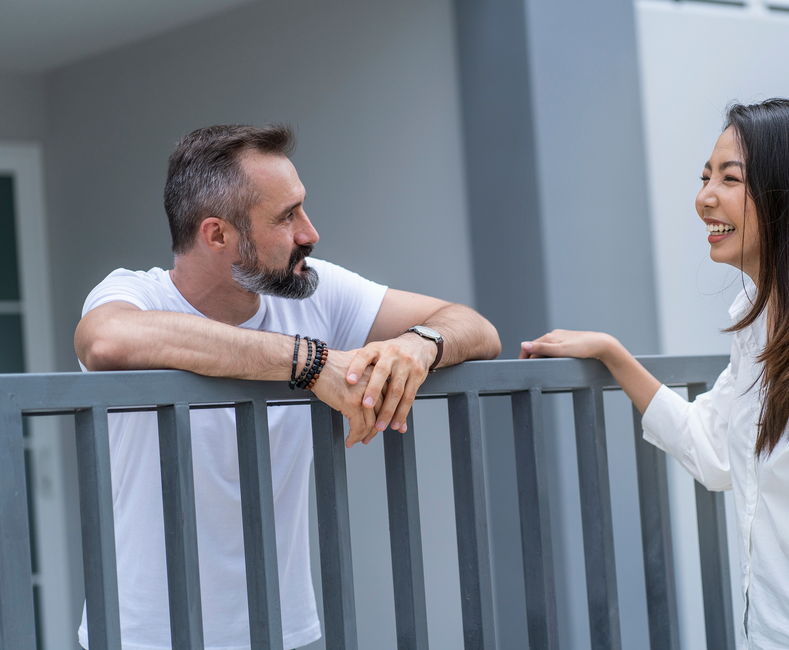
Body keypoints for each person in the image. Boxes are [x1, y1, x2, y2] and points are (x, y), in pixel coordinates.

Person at [520, 99, 789, 649]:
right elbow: (716, 448)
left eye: (730, 178)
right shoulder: (766, 325)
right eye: (705, 177)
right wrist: (613, 355)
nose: (704, 198)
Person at [74, 123, 501, 650]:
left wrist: (418, 345)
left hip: (284, 631)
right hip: (142, 637)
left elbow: (477, 328)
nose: (309, 231)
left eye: (301, 208)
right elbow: (106, 340)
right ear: (216, 235)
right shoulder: (133, 294)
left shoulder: (312, 291)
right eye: (286, 216)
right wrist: (309, 362)